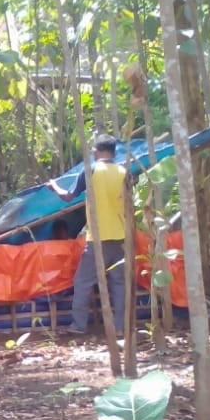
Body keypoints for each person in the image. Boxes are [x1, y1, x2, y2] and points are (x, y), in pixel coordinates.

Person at [48, 134, 129, 335]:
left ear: (97, 151)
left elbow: (68, 196)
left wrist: (53, 186)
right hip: (121, 236)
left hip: (97, 238)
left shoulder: (91, 170)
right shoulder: (124, 171)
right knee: (119, 283)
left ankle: (79, 325)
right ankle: (120, 328)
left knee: (83, 281)